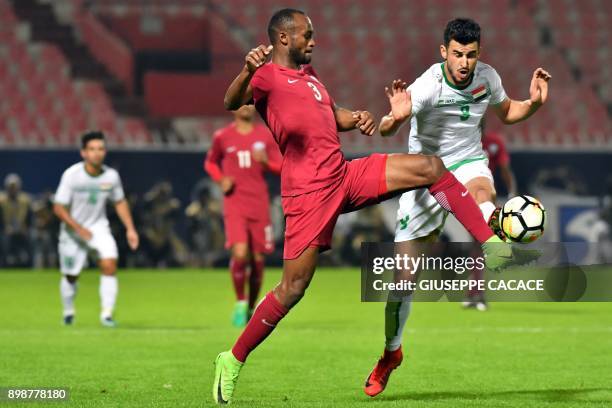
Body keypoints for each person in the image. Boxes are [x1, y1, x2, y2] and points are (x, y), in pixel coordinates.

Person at [212, 9, 534, 404]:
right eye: (306, 35)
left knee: (431, 168)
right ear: (283, 38)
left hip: (343, 175)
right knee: (293, 287)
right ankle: (232, 358)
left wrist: (356, 118)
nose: (313, 41)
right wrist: (246, 70)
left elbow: (328, 116)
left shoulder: (310, 79)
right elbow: (231, 100)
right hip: (308, 194)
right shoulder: (264, 76)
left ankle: (490, 243)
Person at [365, 18, 551, 397]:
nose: (464, 62)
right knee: (402, 281)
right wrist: (395, 119)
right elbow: (387, 127)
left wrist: (532, 103)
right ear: (443, 52)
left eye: (470, 55)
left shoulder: (488, 77)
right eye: (457, 54)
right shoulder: (429, 85)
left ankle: (493, 238)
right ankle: (391, 354)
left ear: (478, 52)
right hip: (423, 174)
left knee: (483, 191)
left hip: (467, 164)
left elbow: (509, 111)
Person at [205, 105, 282, 326]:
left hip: (258, 203)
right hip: (234, 202)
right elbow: (210, 162)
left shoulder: (265, 135)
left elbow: (282, 165)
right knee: (240, 253)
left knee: (258, 259)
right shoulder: (222, 137)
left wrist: (266, 163)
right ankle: (240, 302)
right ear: (233, 108)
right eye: (241, 102)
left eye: (250, 102)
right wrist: (221, 180)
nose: (246, 107)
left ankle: (250, 306)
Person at [53, 131, 139, 327]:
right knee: (71, 275)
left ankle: (107, 314)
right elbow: (58, 207)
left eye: (100, 149)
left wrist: (130, 229)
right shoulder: (72, 175)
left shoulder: (111, 176)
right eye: (92, 149)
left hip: (98, 228)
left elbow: (119, 202)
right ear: (83, 152)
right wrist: (78, 227)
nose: (97, 153)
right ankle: (68, 311)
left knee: (109, 264)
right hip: (72, 232)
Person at [0, 174, 32, 267]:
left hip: (22, 230)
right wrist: (4, 228)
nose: (13, 189)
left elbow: (29, 217)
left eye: (14, 187)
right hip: (6, 231)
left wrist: (26, 227)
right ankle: (4, 265)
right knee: (4, 241)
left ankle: (29, 266)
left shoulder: (25, 200)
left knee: (31, 238)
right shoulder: (1, 201)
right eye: (11, 187)